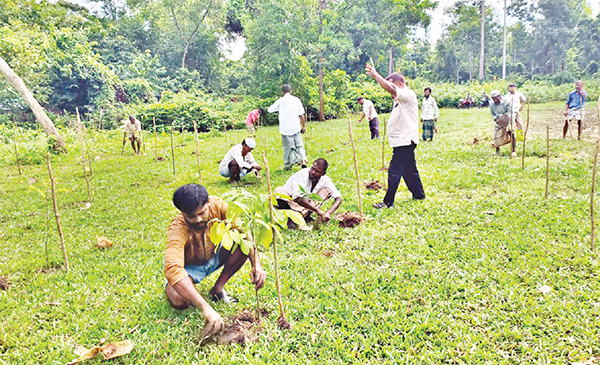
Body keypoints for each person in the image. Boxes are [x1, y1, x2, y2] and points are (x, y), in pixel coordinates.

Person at [164, 184, 267, 337]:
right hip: (191, 267)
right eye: (191, 216)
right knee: (179, 301)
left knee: (241, 243)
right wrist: (205, 307)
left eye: (202, 213)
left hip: (216, 255)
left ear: (208, 203)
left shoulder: (219, 206)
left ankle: (217, 289)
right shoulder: (177, 228)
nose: (198, 219)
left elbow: (243, 231)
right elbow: (173, 268)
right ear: (182, 212)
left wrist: (256, 265)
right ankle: (194, 294)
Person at [366, 64, 425, 208]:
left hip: (405, 141)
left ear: (400, 84)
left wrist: (376, 76)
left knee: (394, 171)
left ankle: (387, 202)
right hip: (403, 140)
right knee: (409, 170)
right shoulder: (399, 99)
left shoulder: (407, 94)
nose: (389, 90)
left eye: (391, 85)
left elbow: (391, 88)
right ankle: (419, 194)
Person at [274, 158, 342, 225]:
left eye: (317, 171)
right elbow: (297, 198)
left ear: (323, 173)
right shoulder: (302, 174)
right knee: (279, 190)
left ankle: (301, 216)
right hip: (290, 201)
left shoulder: (325, 180)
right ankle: (295, 217)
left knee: (326, 191)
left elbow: (338, 198)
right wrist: (317, 210)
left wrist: (329, 213)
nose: (313, 172)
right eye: (312, 168)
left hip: (305, 205)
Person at [267, 84, 308, 170]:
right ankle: (303, 160)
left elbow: (270, 109)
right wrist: (303, 126)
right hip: (296, 127)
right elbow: (302, 115)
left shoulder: (280, 101)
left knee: (287, 148)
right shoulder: (296, 100)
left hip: (285, 129)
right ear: (291, 91)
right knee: (299, 145)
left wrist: (279, 108)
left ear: (283, 92)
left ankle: (288, 165)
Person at [489, 90, 516, 157]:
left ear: (499, 96)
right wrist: (496, 118)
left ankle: (513, 151)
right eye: (493, 98)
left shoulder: (506, 101)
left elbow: (510, 112)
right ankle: (497, 151)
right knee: (496, 136)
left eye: (495, 98)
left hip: (508, 119)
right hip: (498, 121)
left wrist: (505, 119)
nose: (494, 100)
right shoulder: (492, 104)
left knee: (512, 133)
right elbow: (492, 113)